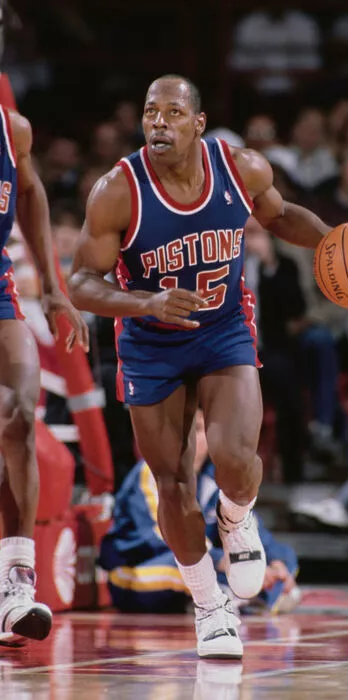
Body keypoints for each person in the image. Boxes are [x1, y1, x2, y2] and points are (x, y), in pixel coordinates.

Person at [68, 74, 337, 659]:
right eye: (148, 112)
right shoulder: (118, 189)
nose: (158, 122)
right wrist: (144, 301)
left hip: (221, 330)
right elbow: (80, 282)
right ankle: (211, 607)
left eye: (171, 112)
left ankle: (237, 518)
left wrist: (334, 242)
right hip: (150, 341)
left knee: (238, 459)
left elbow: (281, 214)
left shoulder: (241, 169)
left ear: (198, 122)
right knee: (172, 482)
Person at [0, 107, 88, 646]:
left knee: (17, 414)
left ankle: (16, 579)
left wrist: (53, 286)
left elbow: (29, 192)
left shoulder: (14, 129)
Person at [99, 411, 300, 615]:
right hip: (137, 569)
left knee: (281, 559)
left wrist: (276, 563)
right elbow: (169, 537)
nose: (189, 440)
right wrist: (224, 560)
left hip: (205, 566)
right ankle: (240, 597)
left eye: (197, 430)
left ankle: (237, 595)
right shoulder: (151, 473)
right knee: (188, 568)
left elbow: (250, 529)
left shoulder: (218, 478)